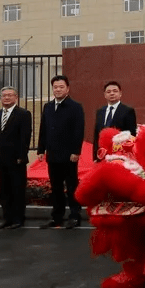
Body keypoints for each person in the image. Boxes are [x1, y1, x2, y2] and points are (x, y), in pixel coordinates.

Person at [37, 75, 86, 229]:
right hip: (52, 154)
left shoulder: (75, 107)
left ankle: (74, 216)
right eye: (55, 87)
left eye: (61, 87)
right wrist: (40, 149)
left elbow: (79, 131)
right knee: (55, 187)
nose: (58, 89)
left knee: (72, 186)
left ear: (68, 88)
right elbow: (43, 129)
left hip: (69, 155)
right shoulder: (48, 107)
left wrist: (75, 151)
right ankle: (56, 217)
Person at [0, 86, 32, 229]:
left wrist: (22, 155)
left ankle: (18, 219)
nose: (6, 98)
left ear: (16, 97)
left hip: (16, 159)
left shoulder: (23, 113)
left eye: (10, 95)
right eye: (4, 95)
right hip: (1, 159)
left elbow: (25, 137)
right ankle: (7, 218)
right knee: (4, 189)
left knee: (17, 189)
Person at [92, 80, 137, 161]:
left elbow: (132, 134)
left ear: (120, 93)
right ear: (105, 95)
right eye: (108, 92)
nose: (112, 93)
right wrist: (95, 156)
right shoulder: (100, 111)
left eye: (115, 91)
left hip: (119, 155)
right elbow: (96, 135)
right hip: (102, 154)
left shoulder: (128, 111)